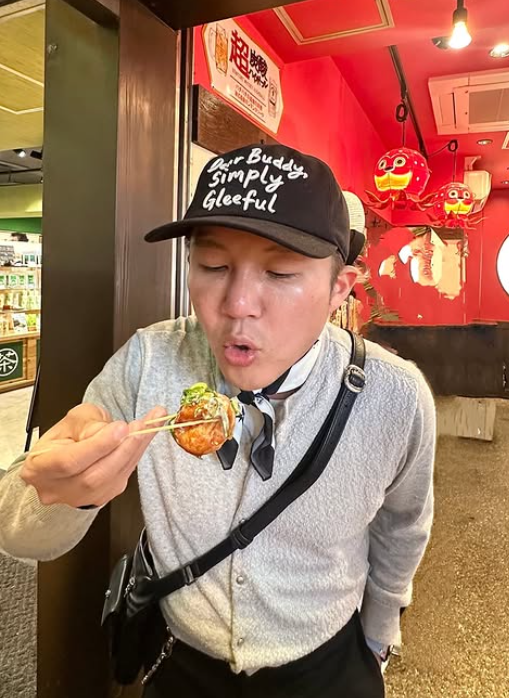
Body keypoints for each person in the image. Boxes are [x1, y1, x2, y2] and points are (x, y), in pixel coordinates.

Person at [0, 144, 436, 698]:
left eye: (279, 272)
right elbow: (18, 532)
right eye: (213, 266)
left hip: (327, 663)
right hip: (182, 660)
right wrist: (61, 496)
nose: (237, 304)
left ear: (338, 289)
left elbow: (403, 528)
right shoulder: (149, 362)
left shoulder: (394, 396)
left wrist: (377, 638)